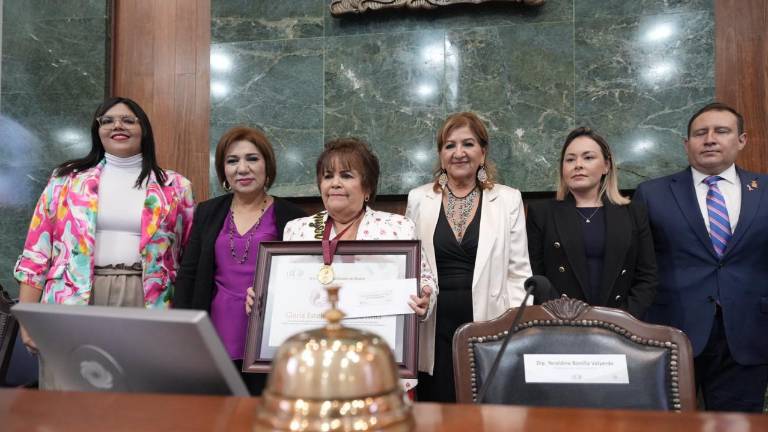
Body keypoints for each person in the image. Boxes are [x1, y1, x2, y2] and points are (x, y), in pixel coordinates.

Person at [13, 97, 195, 381]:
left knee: (141, 391)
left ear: (143, 129)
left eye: (127, 120)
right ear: (97, 130)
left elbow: (187, 257)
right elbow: (36, 253)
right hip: (73, 296)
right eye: (107, 120)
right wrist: (27, 317)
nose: (117, 126)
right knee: (69, 389)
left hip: (146, 298)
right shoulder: (65, 180)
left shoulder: (175, 187)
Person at [245, 137, 436, 388]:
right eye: (327, 176)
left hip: (380, 364)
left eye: (346, 175)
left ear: (367, 188)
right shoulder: (299, 230)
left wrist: (424, 299)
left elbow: (426, 282)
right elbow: (285, 294)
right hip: (316, 367)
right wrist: (263, 302)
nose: (335, 183)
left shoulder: (397, 227)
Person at [634, 102, 768, 412]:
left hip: (749, 335)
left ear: (742, 140)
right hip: (672, 333)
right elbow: (640, 267)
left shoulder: (765, 190)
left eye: (721, 131)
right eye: (700, 133)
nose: (709, 139)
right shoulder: (651, 194)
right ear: (686, 144)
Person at [406, 112, 532, 403]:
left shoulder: (508, 199)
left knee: (486, 411)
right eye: (450, 145)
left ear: (483, 151)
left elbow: (518, 272)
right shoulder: (418, 199)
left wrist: (511, 331)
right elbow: (410, 267)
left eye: (468, 144)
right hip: (433, 327)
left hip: (489, 324)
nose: (459, 153)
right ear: (440, 154)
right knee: (437, 412)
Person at [174, 126, 305, 395]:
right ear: (224, 172)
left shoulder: (294, 216)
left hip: (270, 337)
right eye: (232, 161)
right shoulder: (208, 212)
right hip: (215, 332)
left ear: (267, 165)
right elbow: (188, 274)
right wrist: (183, 334)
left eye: (252, 159)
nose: (242, 168)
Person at [526, 127, 657, 317]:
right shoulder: (542, 213)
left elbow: (647, 276)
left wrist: (623, 319)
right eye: (570, 159)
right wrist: (561, 316)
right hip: (560, 323)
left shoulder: (634, 212)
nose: (577, 165)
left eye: (588, 157)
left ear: (606, 166)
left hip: (620, 323)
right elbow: (536, 276)